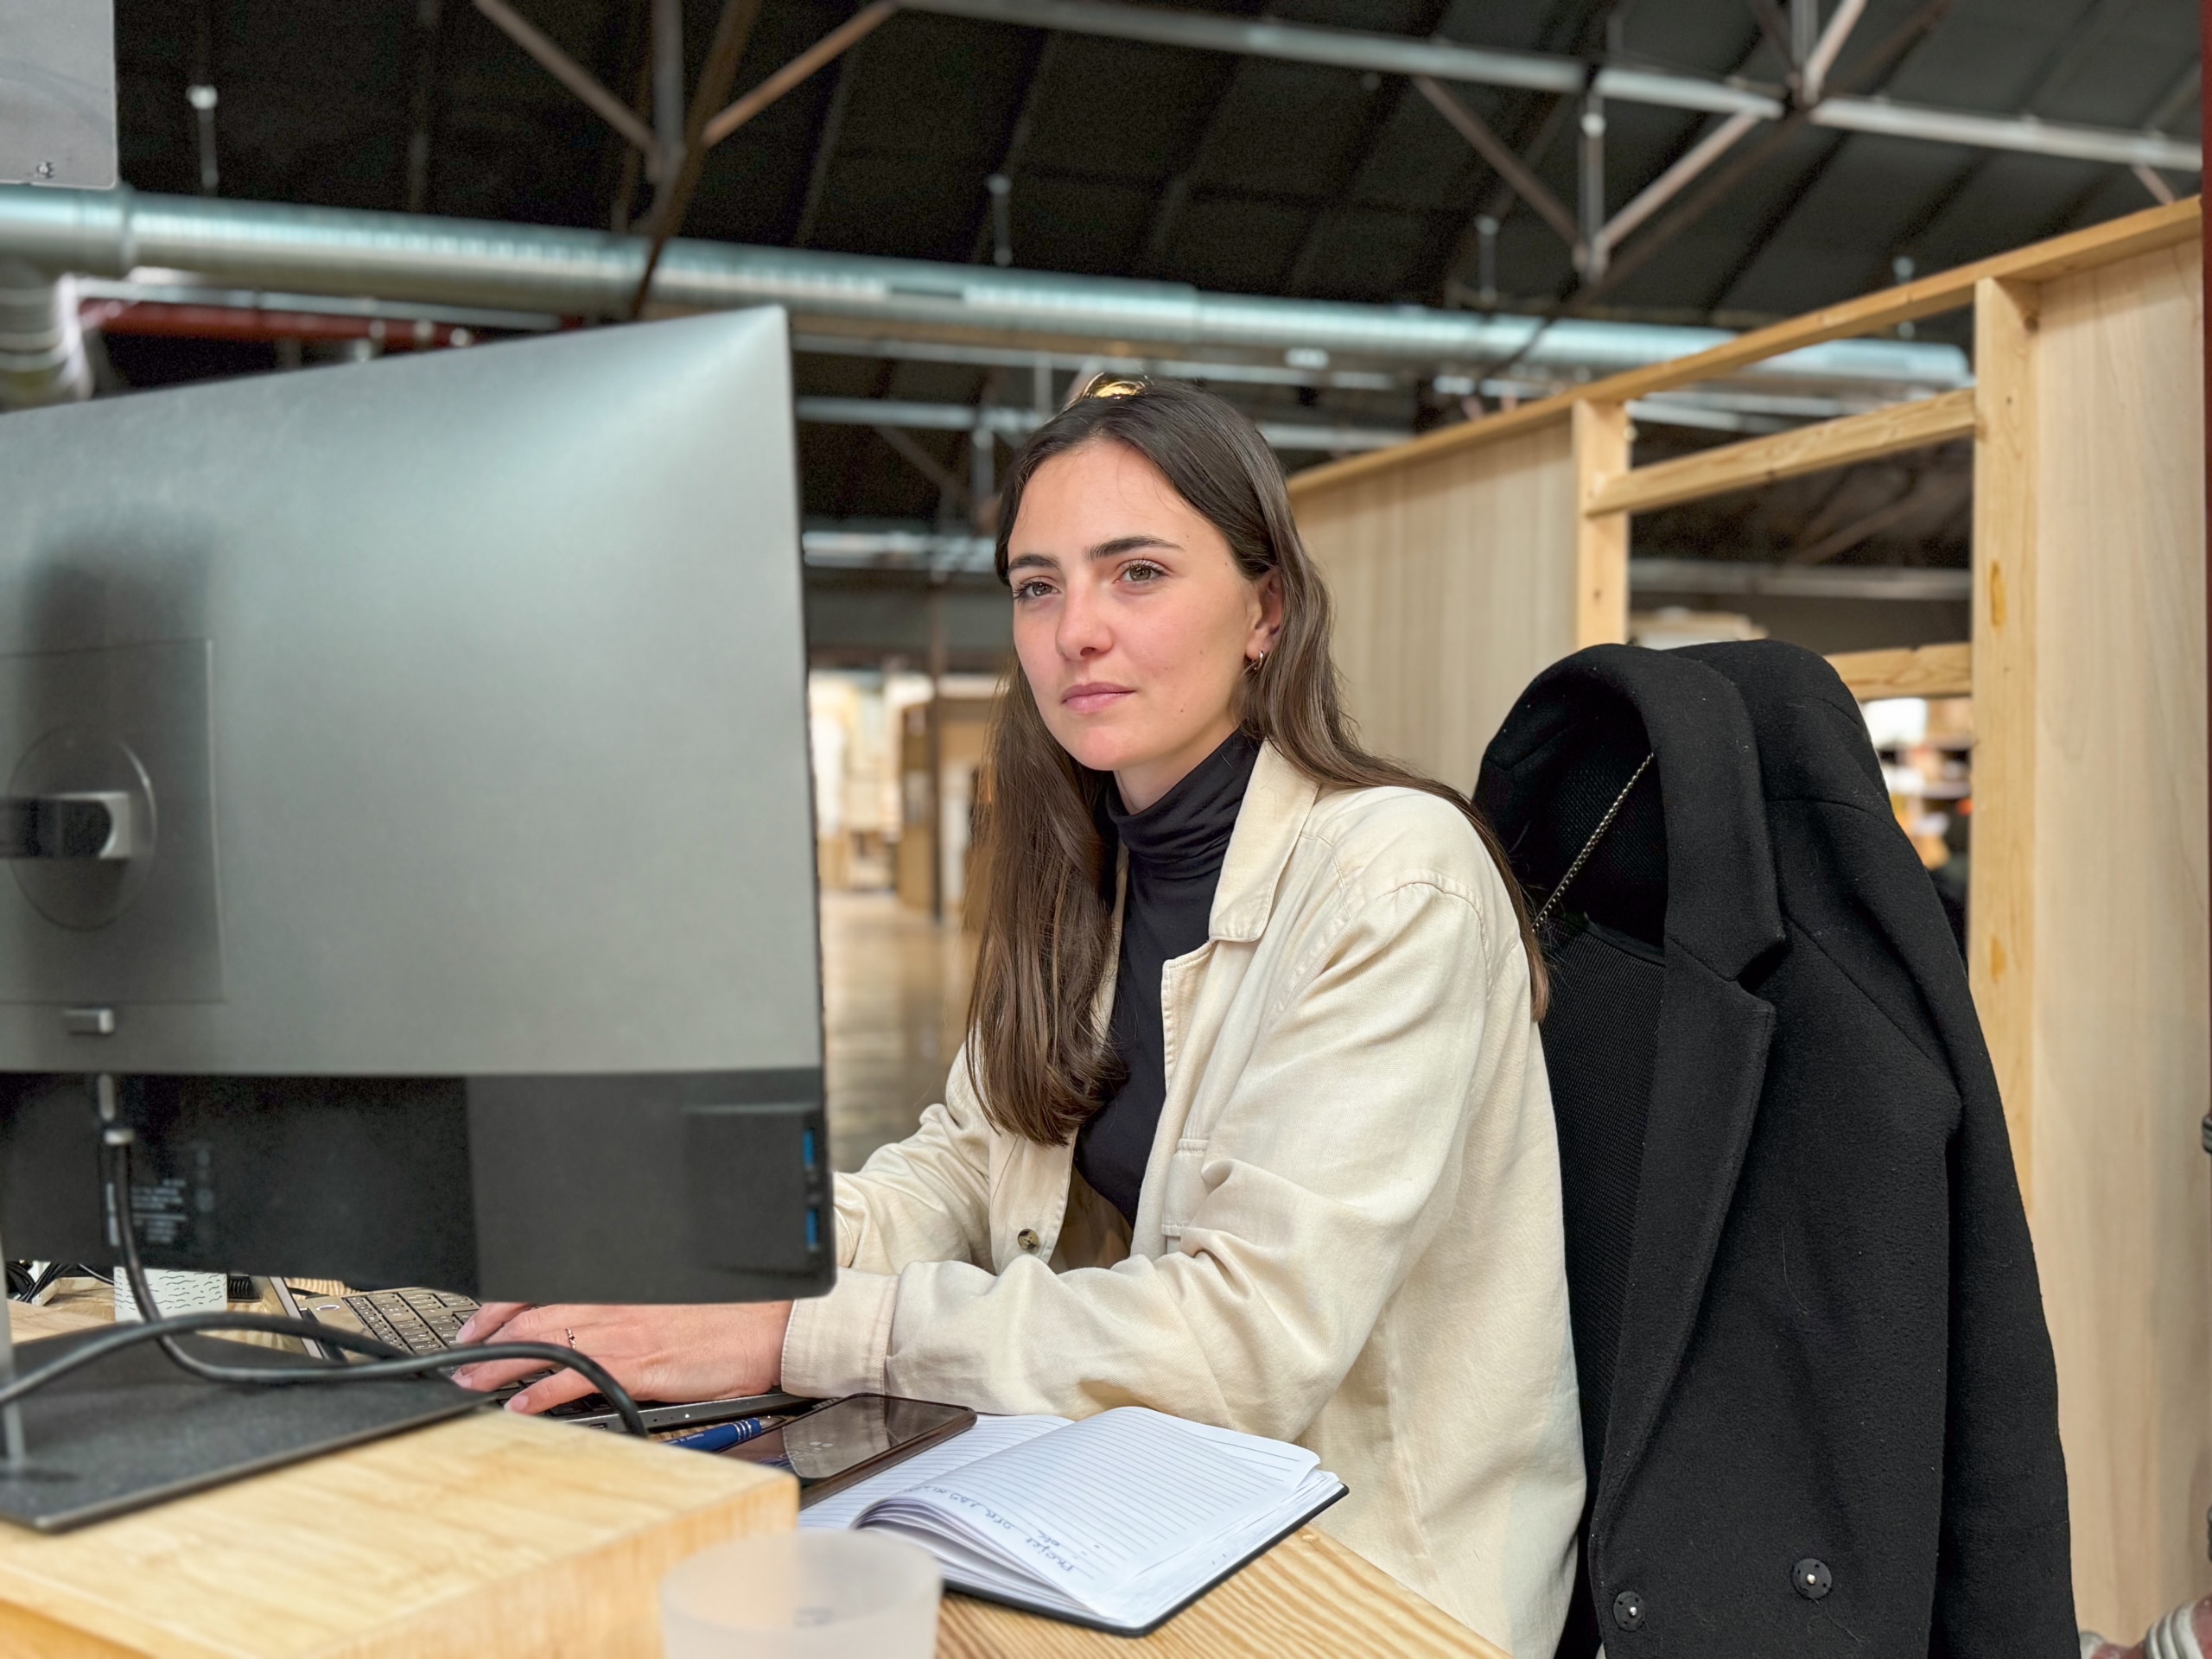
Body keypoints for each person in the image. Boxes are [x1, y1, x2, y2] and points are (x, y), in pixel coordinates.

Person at [453, 378, 1585, 1652]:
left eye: (1137, 573)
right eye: (1038, 585)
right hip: (1163, 1507)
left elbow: (1244, 1342)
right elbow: (954, 1167)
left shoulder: (1392, 875)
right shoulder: (1089, 870)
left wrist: (787, 1330)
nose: (1074, 631)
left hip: (1373, 1581)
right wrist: (684, 1267)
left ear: (1265, 609)